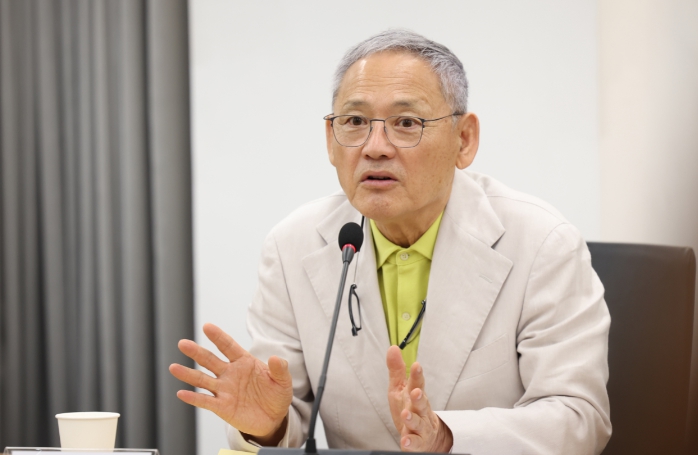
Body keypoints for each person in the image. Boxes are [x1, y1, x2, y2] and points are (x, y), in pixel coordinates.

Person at [170, 29, 612, 454]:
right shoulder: (293, 247)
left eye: (406, 123)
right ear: (330, 141)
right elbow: (282, 415)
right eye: (355, 122)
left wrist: (448, 437)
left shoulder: (541, 244)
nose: (375, 147)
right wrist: (267, 425)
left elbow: (579, 420)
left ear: (464, 140)